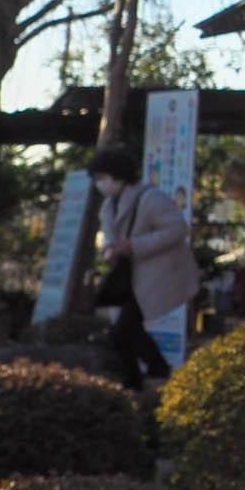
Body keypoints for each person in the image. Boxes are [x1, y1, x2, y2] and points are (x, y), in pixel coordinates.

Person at [90, 145, 198, 389]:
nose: (99, 184)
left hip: (156, 277)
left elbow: (177, 230)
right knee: (129, 330)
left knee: (121, 333)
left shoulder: (151, 199)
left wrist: (133, 245)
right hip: (133, 277)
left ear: (118, 176)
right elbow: (109, 235)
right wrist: (110, 248)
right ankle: (155, 371)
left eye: (102, 178)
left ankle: (135, 383)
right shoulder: (110, 205)